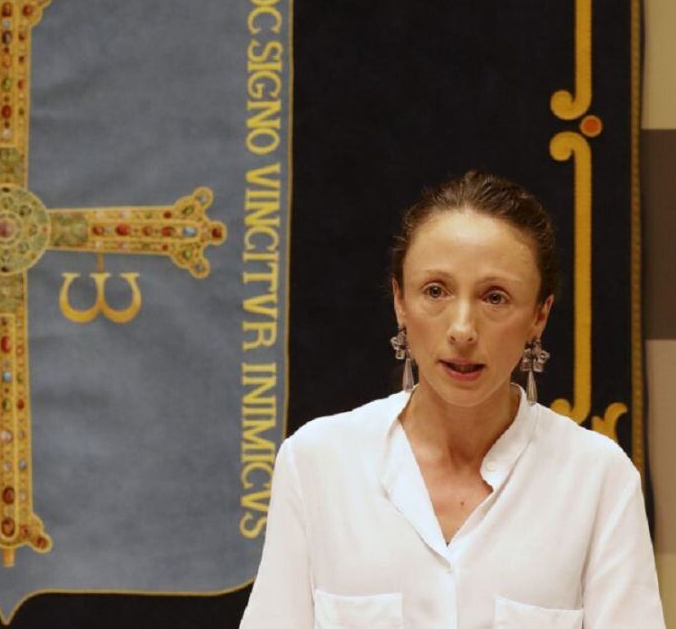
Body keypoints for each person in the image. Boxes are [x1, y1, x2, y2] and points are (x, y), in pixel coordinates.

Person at [239, 170, 666, 629]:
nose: (462, 329)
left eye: (495, 297)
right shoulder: (317, 461)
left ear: (540, 315)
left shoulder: (598, 477)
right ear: (400, 302)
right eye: (436, 291)